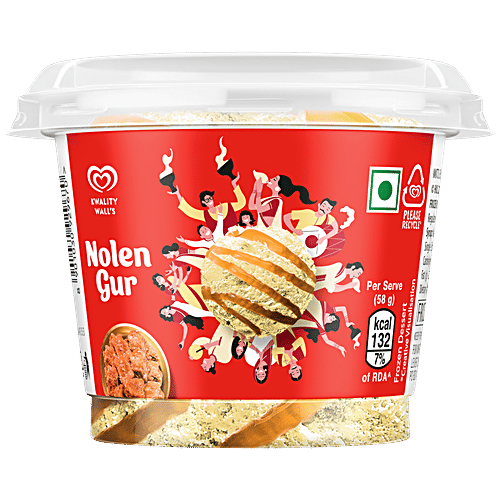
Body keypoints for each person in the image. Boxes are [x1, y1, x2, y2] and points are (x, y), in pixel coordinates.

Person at [168, 174, 246, 234]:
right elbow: (188, 210)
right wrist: (178, 194)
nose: (209, 200)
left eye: (210, 198)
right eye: (207, 199)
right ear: (203, 202)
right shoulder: (205, 215)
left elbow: (242, 203)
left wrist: (234, 184)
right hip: (223, 245)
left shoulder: (226, 206)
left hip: (238, 237)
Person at [249, 173, 316, 229]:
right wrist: (254, 189)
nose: (271, 179)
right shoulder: (267, 199)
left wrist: (259, 191)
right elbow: (251, 207)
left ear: (278, 188)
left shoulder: (276, 201)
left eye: (274, 179)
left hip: (268, 232)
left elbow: (260, 209)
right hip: (261, 229)